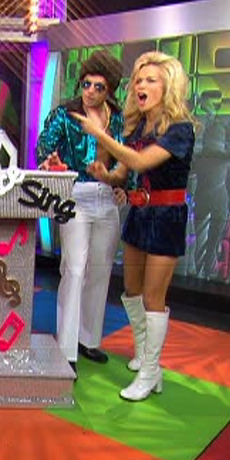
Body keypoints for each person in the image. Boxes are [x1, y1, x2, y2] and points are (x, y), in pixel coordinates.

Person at [72, 51, 198, 402]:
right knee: (131, 290)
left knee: (154, 297)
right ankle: (144, 356)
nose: (141, 85)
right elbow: (123, 173)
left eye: (150, 80)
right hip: (140, 214)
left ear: (167, 87)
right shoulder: (138, 127)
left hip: (166, 218)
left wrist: (100, 135)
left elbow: (142, 161)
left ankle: (150, 371)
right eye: (138, 80)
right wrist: (104, 174)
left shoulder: (180, 129)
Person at [36, 50, 124, 373]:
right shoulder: (65, 114)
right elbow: (44, 146)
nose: (90, 91)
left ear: (109, 90)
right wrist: (50, 160)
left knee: (99, 270)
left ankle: (89, 340)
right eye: (86, 84)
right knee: (74, 269)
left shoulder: (117, 118)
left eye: (98, 87)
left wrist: (123, 185)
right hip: (74, 195)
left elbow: (126, 155)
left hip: (107, 198)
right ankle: (66, 347)